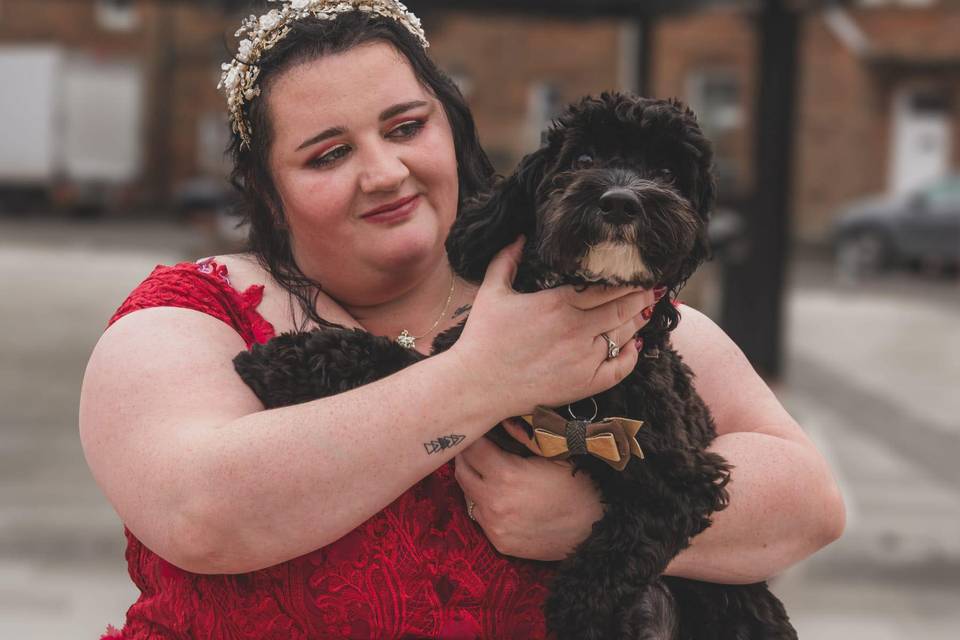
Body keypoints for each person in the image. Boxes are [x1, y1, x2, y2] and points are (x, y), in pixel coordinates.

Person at [79, 1, 845, 638]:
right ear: (267, 193)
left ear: (453, 128)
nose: (384, 172)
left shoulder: (605, 310)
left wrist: (587, 521)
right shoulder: (193, 316)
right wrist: (483, 377)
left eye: (406, 127)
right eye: (327, 154)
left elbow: (809, 505)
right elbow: (202, 516)